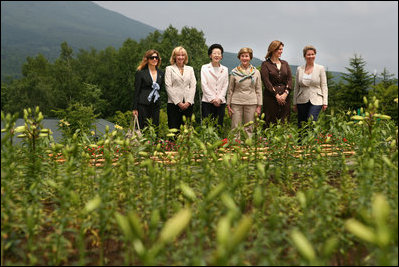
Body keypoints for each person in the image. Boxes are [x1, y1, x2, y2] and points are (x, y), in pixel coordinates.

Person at [226, 47, 262, 138]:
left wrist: (259, 106)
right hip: (236, 102)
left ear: (250, 57)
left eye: (247, 56)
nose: (244, 58)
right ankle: (235, 145)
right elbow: (230, 90)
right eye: (242, 56)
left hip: (251, 102)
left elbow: (258, 90)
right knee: (235, 127)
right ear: (239, 57)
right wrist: (228, 105)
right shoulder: (234, 72)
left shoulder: (256, 72)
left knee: (249, 127)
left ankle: (248, 146)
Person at [293, 45, 328, 129]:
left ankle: (311, 141)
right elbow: (296, 87)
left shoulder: (320, 68)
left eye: (313, 54)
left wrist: (325, 101)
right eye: (308, 54)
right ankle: (301, 142)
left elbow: (324, 85)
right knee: (301, 123)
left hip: (317, 99)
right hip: (301, 99)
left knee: (311, 121)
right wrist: (294, 103)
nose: (311, 56)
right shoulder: (299, 69)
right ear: (304, 56)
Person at [260, 40, 292, 128]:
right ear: (273, 49)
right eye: (279, 49)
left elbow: (289, 80)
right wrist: (276, 95)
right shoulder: (265, 64)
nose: (281, 51)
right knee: (270, 121)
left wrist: (285, 93)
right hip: (270, 98)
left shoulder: (285, 64)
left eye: (282, 49)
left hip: (285, 98)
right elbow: (266, 82)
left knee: (284, 121)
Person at [165, 46, 197, 130]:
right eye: (178, 55)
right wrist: (178, 102)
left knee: (187, 129)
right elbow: (168, 86)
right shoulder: (169, 69)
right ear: (174, 56)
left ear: (185, 56)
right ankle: (172, 144)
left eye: (183, 55)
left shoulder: (190, 69)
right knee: (173, 128)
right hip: (173, 103)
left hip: (188, 103)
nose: (180, 57)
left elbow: (193, 86)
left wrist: (189, 102)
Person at [132, 49, 164, 130]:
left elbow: (161, 89)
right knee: (142, 128)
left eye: (156, 58)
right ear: (147, 59)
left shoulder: (161, 73)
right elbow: (136, 91)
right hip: (142, 105)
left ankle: (154, 143)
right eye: (152, 57)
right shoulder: (141, 73)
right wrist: (135, 108)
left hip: (155, 105)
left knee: (155, 128)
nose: (154, 59)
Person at [200, 44, 229, 129]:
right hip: (207, 102)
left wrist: (219, 98)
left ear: (221, 56)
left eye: (219, 53)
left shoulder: (225, 69)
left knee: (219, 126)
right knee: (207, 126)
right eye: (214, 53)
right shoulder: (204, 68)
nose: (217, 55)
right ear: (210, 55)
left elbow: (225, 85)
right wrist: (213, 99)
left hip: (221, 102)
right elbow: (204, 85)